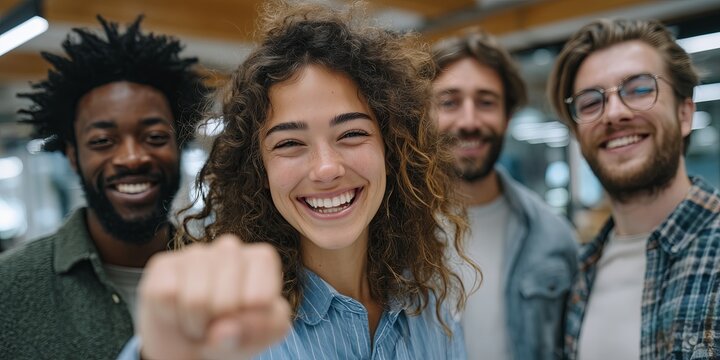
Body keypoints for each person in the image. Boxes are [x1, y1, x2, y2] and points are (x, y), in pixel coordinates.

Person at [118, 2, 478, 360]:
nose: (325, 168)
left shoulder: (430, 306)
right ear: (258, 171)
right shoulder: (238, 328)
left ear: (392, 149)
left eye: (351, 133)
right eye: (289, 143)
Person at [0, 16, 210, 359]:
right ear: (72, 156)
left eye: (155, 137)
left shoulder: (223, 279)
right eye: (102, 140)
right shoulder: (9, 289)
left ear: (179, 145)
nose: (131, 157)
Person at [548, 18, 720, 359]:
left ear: (685, 114)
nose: (613, 113)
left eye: (639, 89)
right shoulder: (579, 275)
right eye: (590, 102)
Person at [431, 30, 578, 359]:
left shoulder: (553, 237)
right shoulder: (390, 232)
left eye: (486, 102)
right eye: (449, 102)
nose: (469, 121)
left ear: (507, 116)